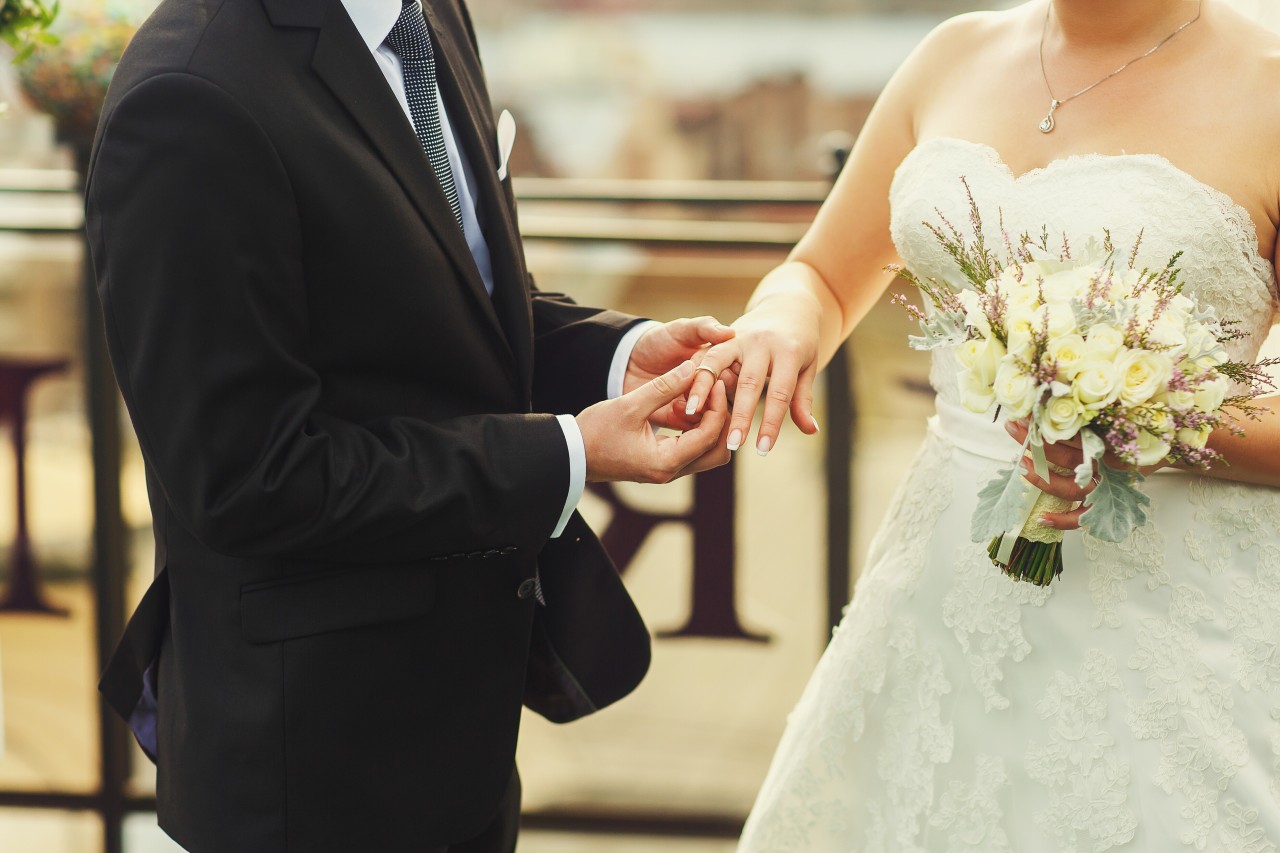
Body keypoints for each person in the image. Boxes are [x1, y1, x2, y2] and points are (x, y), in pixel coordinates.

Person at [84, 0, 735, 850]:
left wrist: (621, 353)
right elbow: (252, 477)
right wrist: (571, 451)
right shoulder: (188, 95)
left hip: (461, 740)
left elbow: (448, 304)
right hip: (312, 771)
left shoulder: (426, 16)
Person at [685, 0, 1280, 848]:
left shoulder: (1269, 85)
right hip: (942, 590)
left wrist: (1133, 408)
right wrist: (779, 323)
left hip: (1171, 625)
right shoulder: (953, 51)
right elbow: (818, 272)